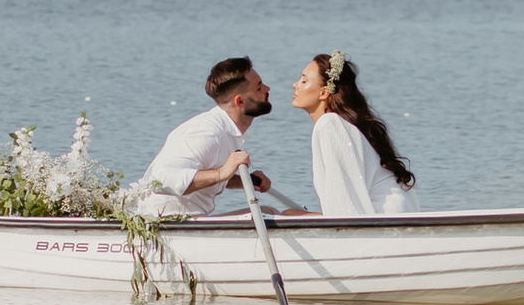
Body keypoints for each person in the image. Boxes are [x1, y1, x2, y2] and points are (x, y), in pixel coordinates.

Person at [134, 56, 309, 213]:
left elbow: (206, 174)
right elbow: (160, 180)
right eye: (259, 87)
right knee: (269, 216)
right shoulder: (208, 132)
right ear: (239, 101)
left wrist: (241, 180)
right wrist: (222, 173)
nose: (267, 88)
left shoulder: (229, 131)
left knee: (269, 212)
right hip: (164, 226)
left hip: (191, 222)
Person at [292, 49, 419, 216]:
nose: (295, 84)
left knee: (287, 214)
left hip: (384, 221)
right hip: (394, 217)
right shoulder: (344, 125)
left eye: (303, 81)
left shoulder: (329, 124)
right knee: (283, 213)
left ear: (324, 92)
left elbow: (344, 202)